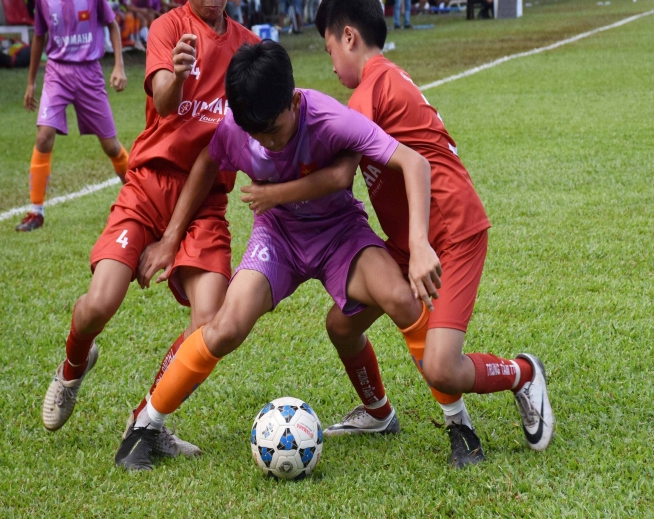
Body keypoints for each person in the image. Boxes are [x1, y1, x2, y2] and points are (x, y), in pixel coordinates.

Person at [115, 40, 442, 470]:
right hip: (278, 238)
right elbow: (208, 162)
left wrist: (419, 245)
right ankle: (144, 429)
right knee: (225, 327)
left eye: (273, 130)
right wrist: (171, 238)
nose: (266, 142)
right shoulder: (237, 126)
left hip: (339, 234)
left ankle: (444, 422)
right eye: (256, 134)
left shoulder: (329, 117)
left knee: (401, 298)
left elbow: (400, 165)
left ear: (293, 101)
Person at [39, 0, 260, 466]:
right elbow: (163, 103)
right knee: (100, 302)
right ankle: (73, 365)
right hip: (148, 187)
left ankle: (148, 419)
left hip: (205, 199)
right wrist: (179, 73)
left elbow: (228, 148)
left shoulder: (247, 47)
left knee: (210, 322)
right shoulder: (167, 29)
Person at [309, 0, 556, 467]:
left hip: (453, 232)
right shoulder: (382, 83)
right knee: (342, 325)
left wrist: (272, 187)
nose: (331, 63)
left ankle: (522, 373)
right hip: (410, 240)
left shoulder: (371, 90)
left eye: (329, 50)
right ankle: (378, 412)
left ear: (349, 36)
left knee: (443, 367)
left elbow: (341, 172)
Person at [17, 0, 128, 232]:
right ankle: (36, 211)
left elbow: (113, 26)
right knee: (43, 136)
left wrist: (118, 66)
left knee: (110, 145)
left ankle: (139, 196)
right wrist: (30, 83)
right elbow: (39, 38)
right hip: (57, 73)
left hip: (90, 74)